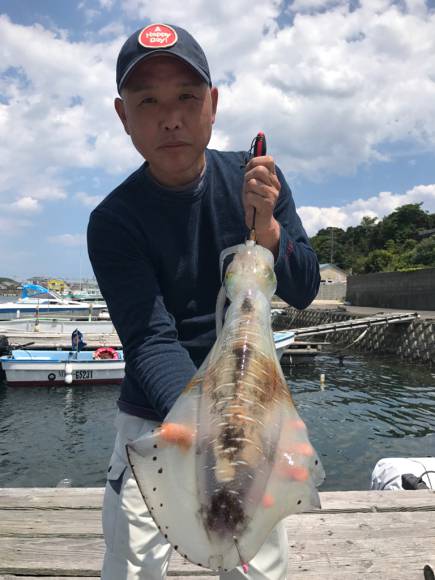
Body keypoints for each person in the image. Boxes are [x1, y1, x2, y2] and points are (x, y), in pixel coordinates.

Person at [87, 22, 320, 580]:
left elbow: (304, 287)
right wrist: (208, 429)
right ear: (124, 116)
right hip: (155, 418)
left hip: (256, 411)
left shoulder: (257, 179)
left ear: (212, 105)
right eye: (148, 101)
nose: (171, 116)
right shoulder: (113, 221)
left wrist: (267, 233)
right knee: (133, 560)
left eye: (187, 97)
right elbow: (150, 337)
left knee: (254, 563)